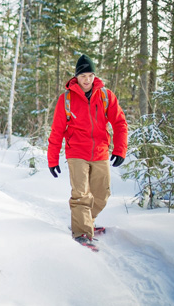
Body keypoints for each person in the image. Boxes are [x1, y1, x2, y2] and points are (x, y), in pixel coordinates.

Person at [47, 54, 128, 249]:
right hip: (76, 152)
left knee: (102, 194)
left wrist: (120, 149)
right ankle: (82, 232)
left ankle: (86, 221)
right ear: (77, 77)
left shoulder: (106, 96)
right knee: (81, 194)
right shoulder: (66, 99)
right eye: (83, 76)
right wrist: (52, 159)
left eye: (90, 75)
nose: (87, 79)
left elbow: (119, 123)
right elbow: (57, 131)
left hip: (100, 151)